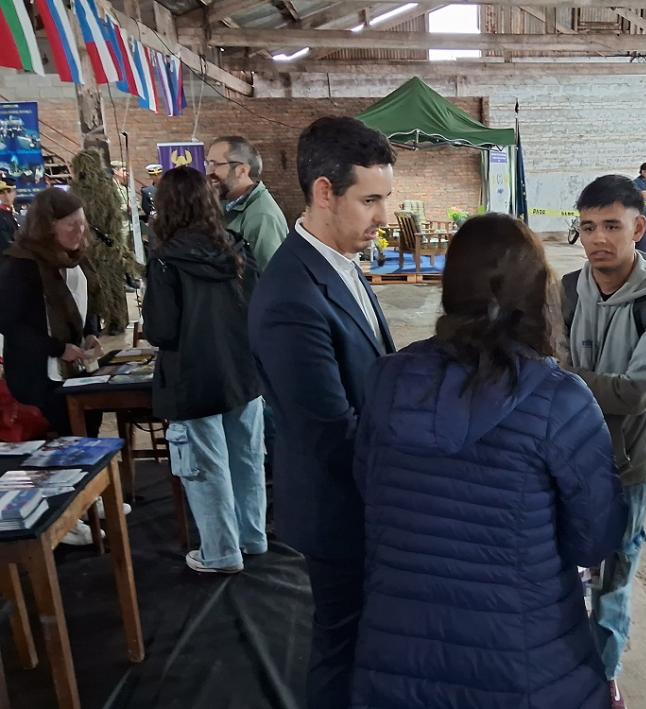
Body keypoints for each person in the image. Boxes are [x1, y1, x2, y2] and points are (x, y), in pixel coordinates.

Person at [349, 213, 627, 709]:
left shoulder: (388, 380)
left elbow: (369, 494)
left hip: (399, 653)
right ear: (539, 292)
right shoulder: (560, 400)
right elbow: (594, 539)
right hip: (525, 659)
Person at [248, 116, 396, 708]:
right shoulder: (291, 296)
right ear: (324, 192)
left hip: (361, 498)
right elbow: (330, 434)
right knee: (341, 648)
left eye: (387, 198)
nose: (383, 216)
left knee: (363, 641)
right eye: (371, 200)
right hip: (340, 507)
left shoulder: (336, 264)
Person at [562, 174, 646, 709]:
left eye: (612, 225)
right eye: (588, 226)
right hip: (565, 462)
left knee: (613, 581)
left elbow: (636, 393)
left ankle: (604, 679)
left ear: (639, 227)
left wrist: (561, 378)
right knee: (563, 576)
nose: (598, 239)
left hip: (625, 466)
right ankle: (564, 672)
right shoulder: (567, 290)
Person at [143, 166, 266, 574]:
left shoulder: (165, 259)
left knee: (206, 467)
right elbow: (259, 309)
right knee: (246, 458)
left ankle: (220, 553)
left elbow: (161, 330)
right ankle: (252, 537)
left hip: (192, 379)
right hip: (241, 373)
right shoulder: (236, 248)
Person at [0, 188, 104, 546]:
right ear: (48, 227)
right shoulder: (21, 265)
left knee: (85, 428)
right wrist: (60, 348)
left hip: (74, 366)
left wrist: (91, 333)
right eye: (71, 226)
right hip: (38, 372)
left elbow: (87, 301)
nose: (80, 233)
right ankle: (66, 516)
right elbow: (13, 325)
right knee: (61, 440)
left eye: (82, 225)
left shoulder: (74, 258)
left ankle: (89, 496)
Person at [71, 151, 134, 335]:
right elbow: (114, 217)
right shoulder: (106, 187)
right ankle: (113, 321)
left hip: (95, 244)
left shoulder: (79, 189)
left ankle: (107, 322)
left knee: (101, 284)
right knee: (107, 284)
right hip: (101, 243)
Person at [207, 136, 288, 271]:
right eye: (208, 163)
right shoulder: (230, 205)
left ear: (242, 171)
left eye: (215, 164)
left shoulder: (261, 217)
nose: (209, 172)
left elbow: (268, 278)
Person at [0, 180, 19, 252]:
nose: (6, 196)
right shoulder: (1, 216)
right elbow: (6, 244)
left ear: (15, 193)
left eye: (9, 191)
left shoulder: (13, 212)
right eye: (1, 192)